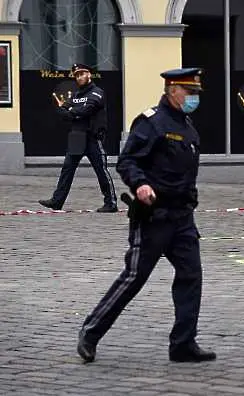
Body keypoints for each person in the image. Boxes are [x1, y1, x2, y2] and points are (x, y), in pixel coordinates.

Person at [76, 67, 216, 364]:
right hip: (154, 217)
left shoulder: (188, 126)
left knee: (191, 275)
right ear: (172, 91)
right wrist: (140, 184)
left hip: (182, 218)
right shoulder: (151, 122)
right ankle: (90, 332)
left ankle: (183, 343)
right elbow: (127, 161)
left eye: (196, 93)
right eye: (190, 92)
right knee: (134, 277)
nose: (194, 98)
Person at [38, 63, 118, 212]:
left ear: (89, 74)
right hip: (77, 138)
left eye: (82, 73)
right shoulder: (75, 95)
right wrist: (72, 111)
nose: (79, 77)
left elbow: (88, 109)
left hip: (93, 138)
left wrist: (71, 111)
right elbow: (61, 111)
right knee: (67, 169)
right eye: (77, 75)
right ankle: (57, 201)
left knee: (101, 171)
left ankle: (111, 203)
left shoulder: (97, 92)